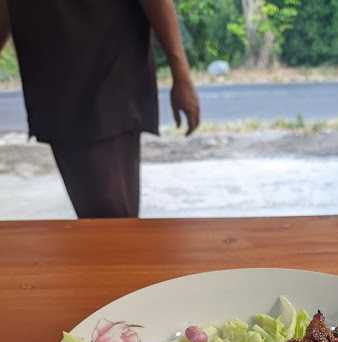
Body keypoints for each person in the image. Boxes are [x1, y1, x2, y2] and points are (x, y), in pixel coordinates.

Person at [0, 0, 200, 218]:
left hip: (106, 84)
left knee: (109, 219)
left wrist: (181, 74)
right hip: (55, 92)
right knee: (101, 220)